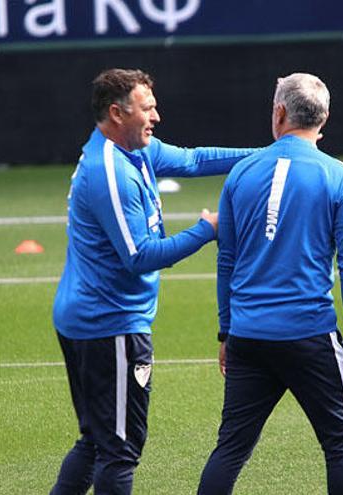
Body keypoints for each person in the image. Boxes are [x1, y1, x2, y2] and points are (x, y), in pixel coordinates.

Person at [50, 68, 258, 495]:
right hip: (109, 325)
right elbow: (140, 257)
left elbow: (195, 160)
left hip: (92, 319)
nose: (156, 117)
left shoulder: (132, 151)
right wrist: (206, 229)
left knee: (97, 441)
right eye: (147, 108)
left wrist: (268, 155)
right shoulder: (110, 171)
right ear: (116, 113)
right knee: (119, 450)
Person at [197, 73, 343, 495]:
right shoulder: (339, 176)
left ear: (279, 113)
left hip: (248, 336)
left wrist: (226, 331)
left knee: (231, 448)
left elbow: (226, 260)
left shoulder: (241, 173)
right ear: (324, 119)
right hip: (309, 335)